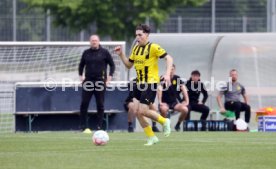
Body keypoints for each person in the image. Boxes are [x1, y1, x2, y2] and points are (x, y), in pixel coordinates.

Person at [115, 24, 173, 146]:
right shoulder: (135, 49)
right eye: (136, 35)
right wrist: (121, 55)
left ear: (146, 35)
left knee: (143, 110)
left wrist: (167, 74)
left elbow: (169, 58)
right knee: (137, 112)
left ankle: (164, 121)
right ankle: (152, 137)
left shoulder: (153, 47)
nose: (137, 37)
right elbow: (128, 65)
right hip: (139, 84)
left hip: (150, 83)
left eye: (140, 35)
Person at [78, 35, 115, 132]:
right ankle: (83, 126)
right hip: (88, 81)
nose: (94, 42)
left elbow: (112, 65)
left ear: (99, 41)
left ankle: (99, 126)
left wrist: (109, 78)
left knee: (100, 104)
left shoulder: (105, 52)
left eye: (96, 40)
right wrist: (81, 77)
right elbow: (81, 65)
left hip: (100, 81)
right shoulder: (86, 53)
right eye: (92, 40)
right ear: (90, 42)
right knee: (84, 103)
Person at [157, 64, 189, 132]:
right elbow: (159, 89)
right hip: (164, 102)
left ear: (175, 70)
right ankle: (165, 125)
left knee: (185, 109)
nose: (171, 71)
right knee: (163, 109)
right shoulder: (163, 78)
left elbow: (183, 88)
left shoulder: (177, 78)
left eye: (172, 69)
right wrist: (160, 102)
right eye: (170, 69)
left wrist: (187, 101)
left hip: (174, 103)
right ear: (167, 70)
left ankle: (178, 124)